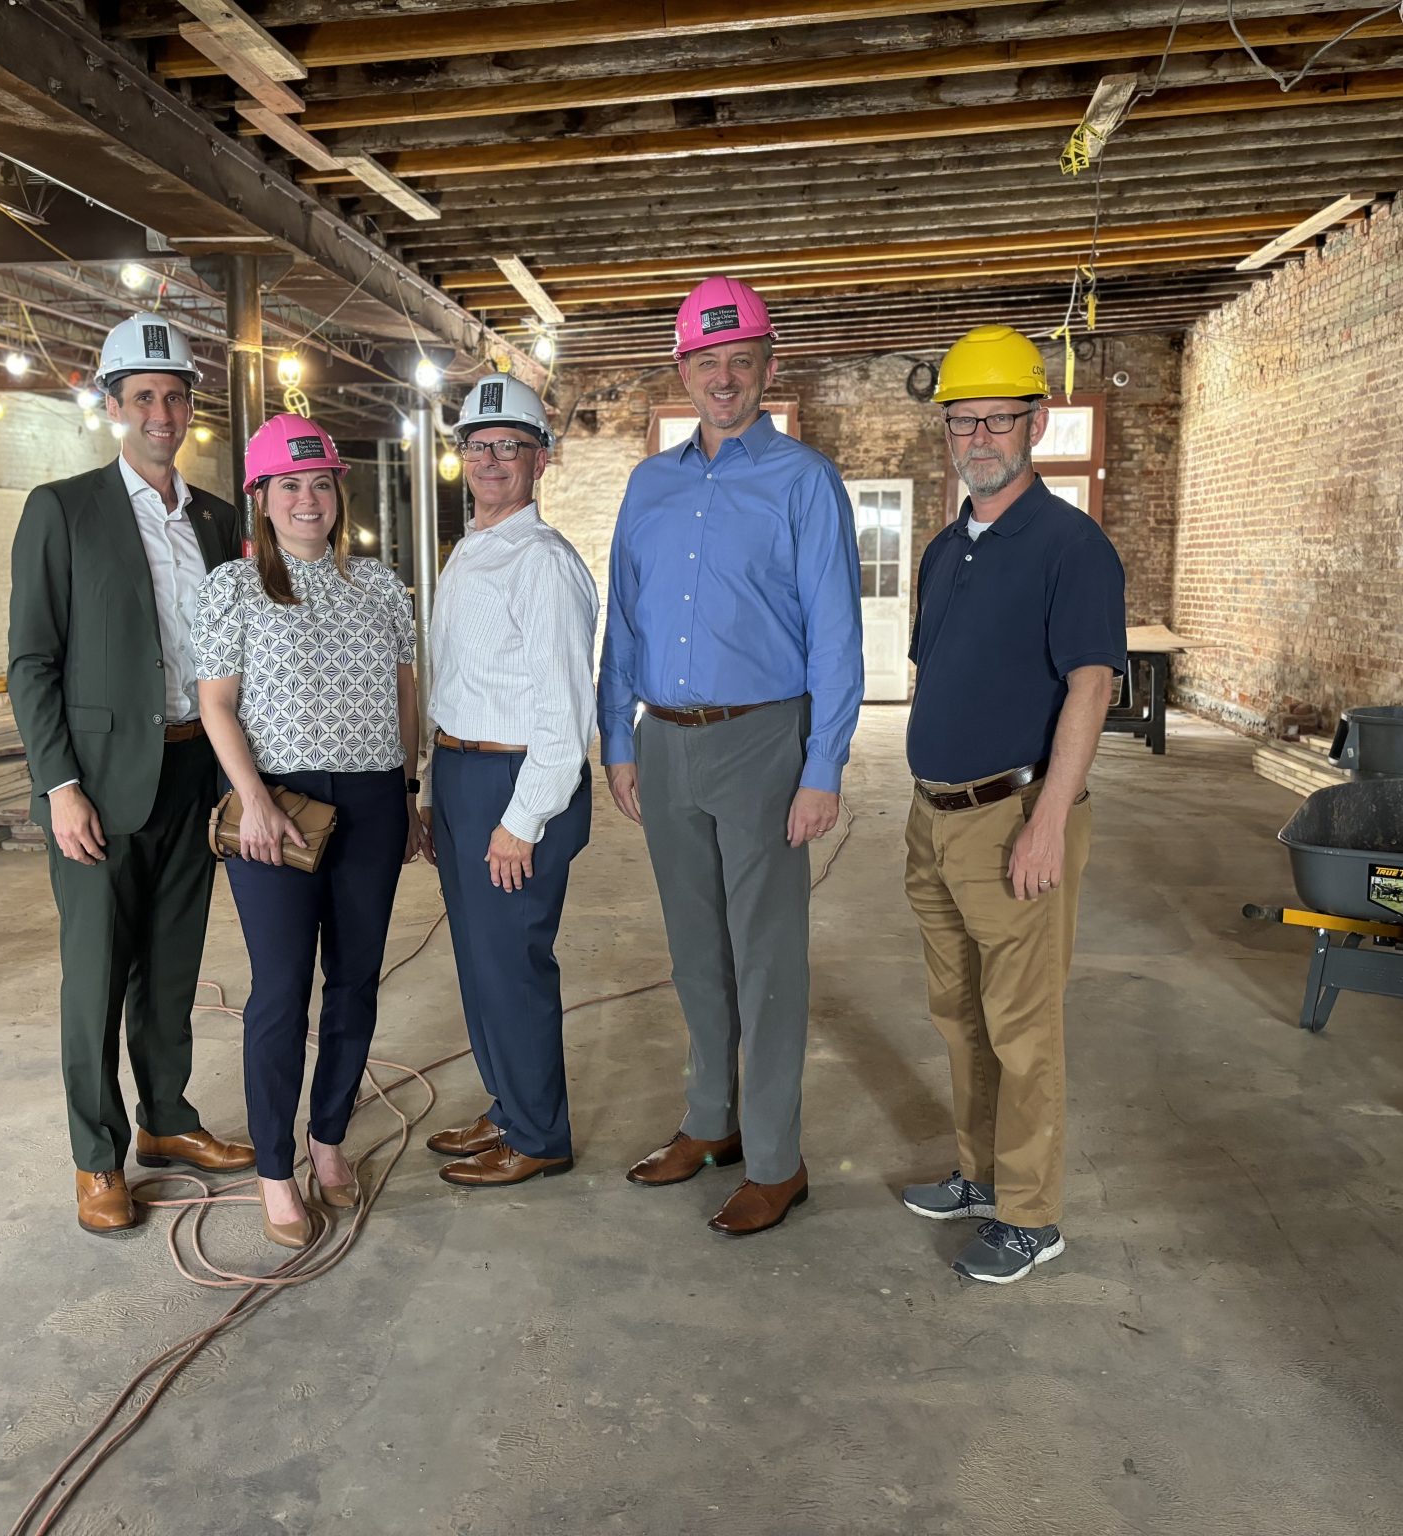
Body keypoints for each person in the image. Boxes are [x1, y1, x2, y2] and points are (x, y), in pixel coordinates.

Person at [597, 276, 863, 1238]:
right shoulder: (649, 485)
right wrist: (615, 736)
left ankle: (778, 1160)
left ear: (766, 367)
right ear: (683, 371)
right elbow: (623, 616)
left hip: (762, 739)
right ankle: (711, 1124)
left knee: (768, 960)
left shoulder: (803, 482)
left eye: (739, 360)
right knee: (695, 951)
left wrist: (823, 763)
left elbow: (837, 632)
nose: (723, 378)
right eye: (705, 362)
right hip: (663, 742)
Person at [9, 313, 256, 1239]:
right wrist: (58, 785)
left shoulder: (220, 519)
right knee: (96, 975)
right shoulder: (63, 510)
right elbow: (32, 661)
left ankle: (167, 1120)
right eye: (143, 396)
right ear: (112, 406)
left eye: (175, 396)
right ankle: (96, 1157)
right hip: (101, 786)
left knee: (174, 964)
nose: (162, 411)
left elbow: (242, 649)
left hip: (197, 770)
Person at [898, 325, 1126, 1284]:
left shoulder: (1072, 547)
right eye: (962, 421)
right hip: (934, 817)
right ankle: (981, 1172)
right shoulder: (948, 549)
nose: (978, 437)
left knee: (1024, 1024)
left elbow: (1090, 687)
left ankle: (1033, 1216)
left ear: (1035, 420)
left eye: (996, 418)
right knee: (960, 1014)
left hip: (1014, 819)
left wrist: (1045, 821)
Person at [192, 413, 425, 1249]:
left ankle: (329, 1139)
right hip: (277, 810)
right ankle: (275, 1170)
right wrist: (249, 798)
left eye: (320, 483)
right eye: (289, 485)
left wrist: (407, 789)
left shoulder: (381, 587)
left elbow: (405, 693)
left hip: (370, 801)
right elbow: (216, 704)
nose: (307, 498)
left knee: (356, 979)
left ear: (338, 494)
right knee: (281, 990)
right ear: (262, 496)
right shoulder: (235, 586)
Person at [420, 374, 599, 1189]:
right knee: (480, 962)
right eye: (479, 446)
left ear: (541, 459)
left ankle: (539, 1134)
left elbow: (566, 715)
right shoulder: (471, 554)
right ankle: (508, 1105)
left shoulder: (543, 564)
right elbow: (454, 678)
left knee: (514, 964)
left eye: (511, 447)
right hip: (463, 772)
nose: (493, 460)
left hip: (516, 782)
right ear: (461, 457)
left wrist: (520, 819)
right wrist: (433, 789)